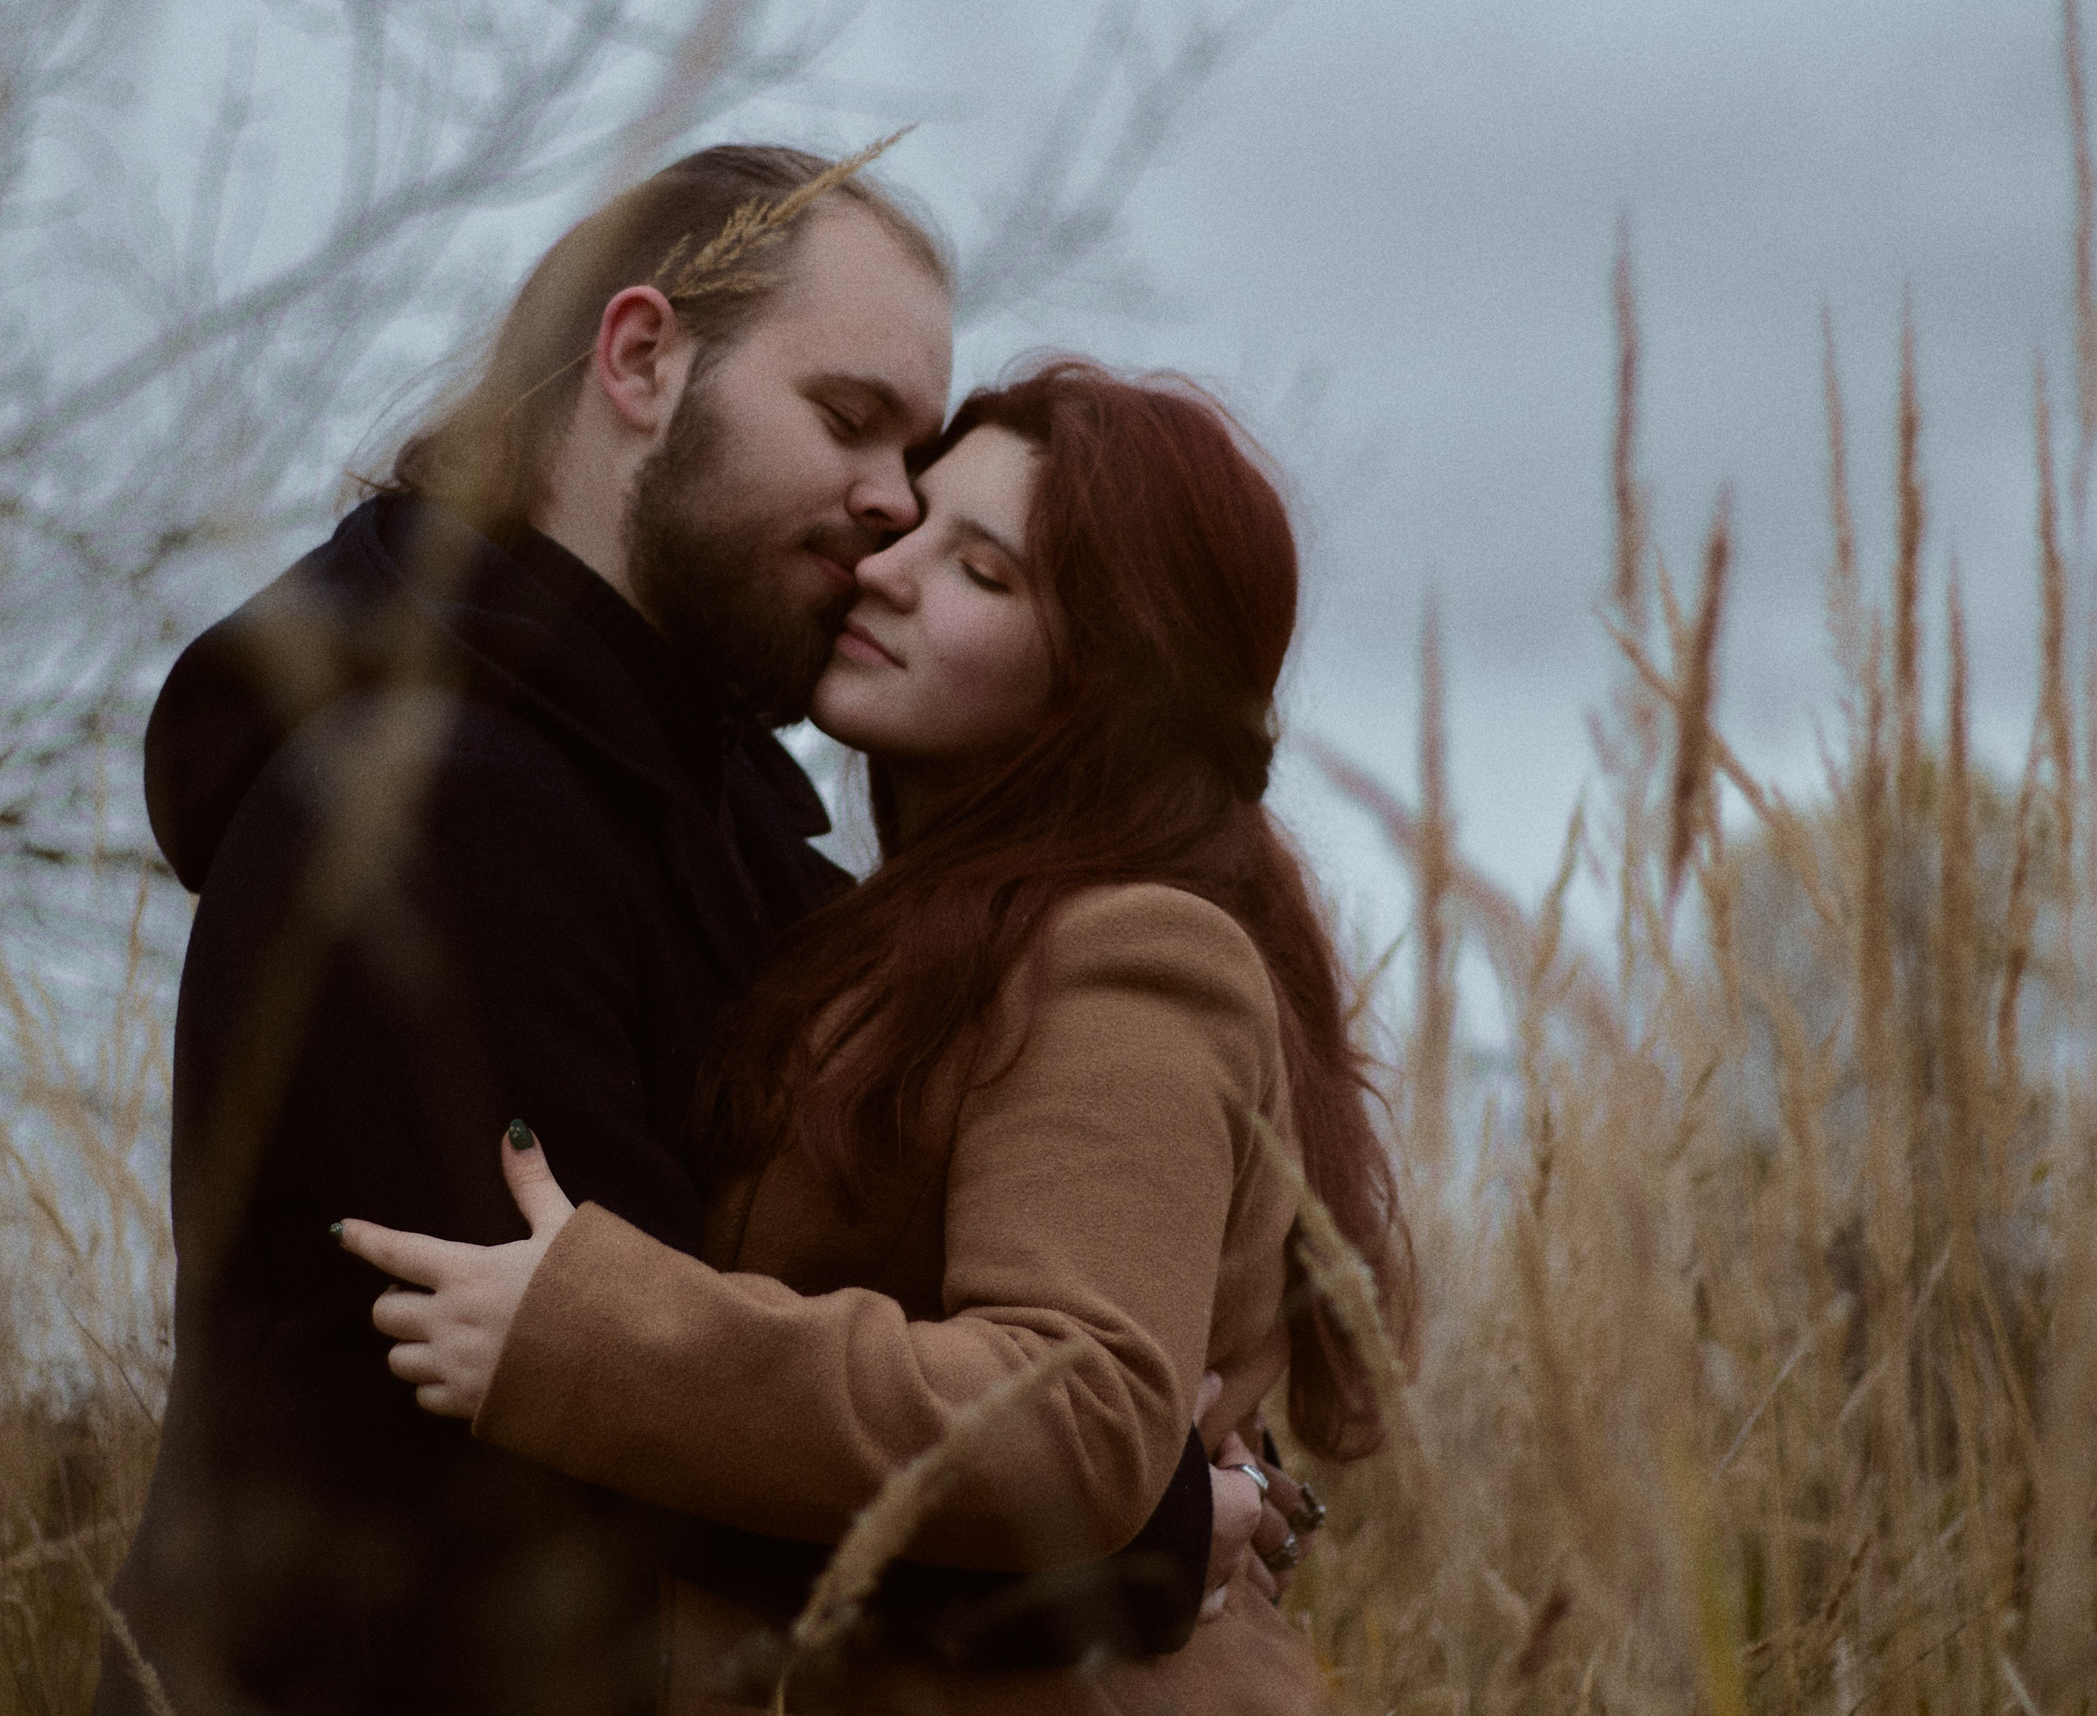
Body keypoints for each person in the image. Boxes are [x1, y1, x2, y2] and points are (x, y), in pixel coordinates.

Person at [101, 147, 1269, 1716]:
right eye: (848, 420)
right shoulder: (423, 808)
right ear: (643, 358)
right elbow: (592, 1432)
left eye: (918, 450)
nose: (892, 503)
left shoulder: (735, 836)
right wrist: (1131, 1540)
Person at [336, 359, 1417, 1713]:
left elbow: (1080, 1416)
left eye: (984, 572)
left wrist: (600, 1340)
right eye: (911, 530)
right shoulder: (917, 932)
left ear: (1109, 675)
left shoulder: (1131, 951)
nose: (888, 572)